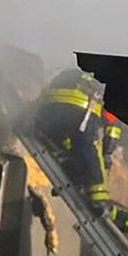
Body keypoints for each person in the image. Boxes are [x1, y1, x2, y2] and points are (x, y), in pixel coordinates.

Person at [35, 68, 110, 206]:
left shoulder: (72, 74)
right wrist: (108, 153)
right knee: (89, 148)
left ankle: (70, 174)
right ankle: (98, 198)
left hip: (50, 108)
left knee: (65, 147)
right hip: (82, 109)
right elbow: (110, 128)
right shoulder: (106, 91)